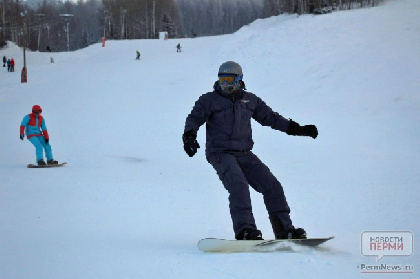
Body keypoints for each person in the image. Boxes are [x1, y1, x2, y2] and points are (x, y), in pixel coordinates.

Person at [183, 61, 318, 240]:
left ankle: (285, 230)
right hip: (220, 153)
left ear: (239, 79)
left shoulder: (250, 100)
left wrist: (298, 129)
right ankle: (245, 230)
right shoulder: (208, 100)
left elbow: (271, 118)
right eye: (222, 80)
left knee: (272, 186)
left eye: (229, 80)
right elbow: (194, 117)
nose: (225, 84)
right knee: (238, 186)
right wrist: (189, 136)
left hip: (245, 153)